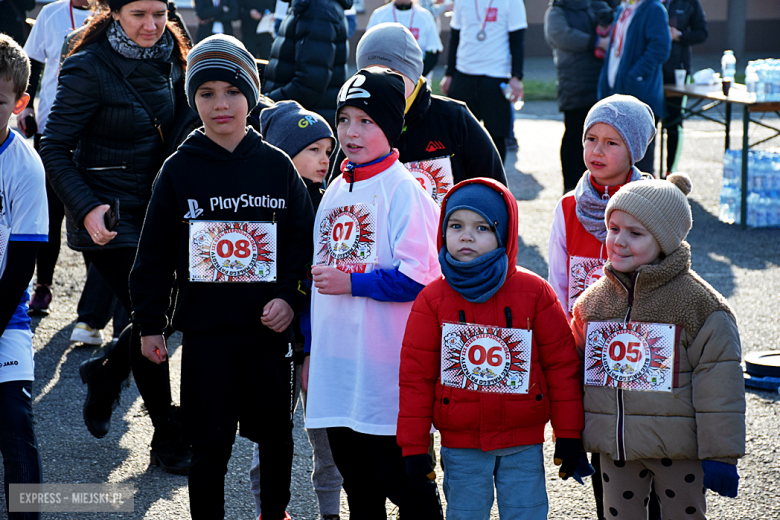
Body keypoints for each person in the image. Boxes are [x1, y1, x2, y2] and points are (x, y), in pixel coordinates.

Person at [129, 35, 314, 520]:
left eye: (231, 91)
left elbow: (302, 243)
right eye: (206, 93)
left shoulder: (277, 168)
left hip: (267, 340)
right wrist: (150, 323)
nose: (220, 104)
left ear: (250, 95)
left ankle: (272, 513)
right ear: (193, 100)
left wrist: (290, 299)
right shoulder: (179, 171)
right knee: (208, 450)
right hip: (207, 341)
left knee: (276, 439)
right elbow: (153, 254)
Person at [40, 0, 192, 472]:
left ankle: (106, 374)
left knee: (174, 308)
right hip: (110, 216)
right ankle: (167, 438)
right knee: (148, 313)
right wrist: (85, 209)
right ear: (115, 13)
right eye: (137, 15)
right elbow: (54, 146)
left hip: (160, 207)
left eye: (158, 13)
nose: (150, 26)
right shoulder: (88, 64)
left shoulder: (175, 53)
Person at [397, 178, 584, 520]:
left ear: (505, 233)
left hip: (523, 442)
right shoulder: (432, 300)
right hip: (461, 444)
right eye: (456, 225)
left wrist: (569, 432)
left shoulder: (535, 293)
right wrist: (413, 445)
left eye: (482, 227)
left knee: (526, 514)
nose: (466, 236)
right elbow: (415, 378)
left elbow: (562, 366)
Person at [305, 67, 443, 518]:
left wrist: (354, 282)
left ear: (391, 124)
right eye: (344, 119)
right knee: (359, 488)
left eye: (366, 120)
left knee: (404, 486)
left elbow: (420, 279)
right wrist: (309, 350)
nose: (351, 132)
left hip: (384, 375)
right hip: (338, 370)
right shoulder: (335, 187)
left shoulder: (405, 189)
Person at [571, 173, 745, 518]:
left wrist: (721, 455)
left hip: (678, 451)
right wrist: (570, 436)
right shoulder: (593, 303)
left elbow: (719, 385)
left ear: (664, 241)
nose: (618, 241)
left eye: (635, 233)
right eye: (614, 228)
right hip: (616, 448)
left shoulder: (699, 304)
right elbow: (571, 373)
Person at [547, 94, 654, 519]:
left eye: (612, 142)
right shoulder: (568, 208)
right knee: (605, 470)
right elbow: (557, 287)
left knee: (649, 455)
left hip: (642, 354)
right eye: (591, 138)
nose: (597, 150)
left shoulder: (656, 203)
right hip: (586, 353)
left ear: (635, 149)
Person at [250, 100, 342, 520]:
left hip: (320, 342)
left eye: (328, 150)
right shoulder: (263, 204)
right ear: (283, 153)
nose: (325, 159)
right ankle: (270, 510)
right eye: (313, 150)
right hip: (274, 342)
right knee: (270, 435)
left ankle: (329, 511)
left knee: (328, 437)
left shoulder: (332, 202)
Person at [328, 23, 506, 205]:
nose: (385, 86)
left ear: (413, 73)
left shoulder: (454, 119)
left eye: (392, 74)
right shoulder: (358, 128)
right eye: (373, 76)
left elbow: (494, 189)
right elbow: (336, 197)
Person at [17, 0, 91, 315]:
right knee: (50, 213)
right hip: (52, 128)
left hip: (93, 132)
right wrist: (29, 107)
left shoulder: (112, 14)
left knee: (91, 211)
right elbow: (31, 62)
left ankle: (96, 298)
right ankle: (43, 286)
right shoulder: (51, 14)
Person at [0, 33, 47, 520]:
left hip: (4, 313)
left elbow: (22, 264)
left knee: (15, 422)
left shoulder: (25, 166)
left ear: (19, 103)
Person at [440, 0, 527, 163]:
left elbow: (518, 40)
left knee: (496, 136)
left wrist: (516, 76)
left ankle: (495, 182)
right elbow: (455, 36)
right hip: (463, 74)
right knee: (459, 135)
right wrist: (449, 73)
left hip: (496, 76)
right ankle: (463, 182)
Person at [544, 0, 614, 194]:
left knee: (599, 136)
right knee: (575, 135)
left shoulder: (596, 4)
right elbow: (560, 35)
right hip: (573, 83)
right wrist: (596, 41)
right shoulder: (557, 11)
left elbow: (613, 17)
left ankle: (595, 184)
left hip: (599, 82)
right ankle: (570, 187)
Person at [597, 0, 671, 175]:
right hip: (617, 91)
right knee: (616, 159)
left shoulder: (653, 8)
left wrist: (634, 75)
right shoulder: (624, 8)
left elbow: (660, 48)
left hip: (639, 94)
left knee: (640, 160)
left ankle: (644, 200)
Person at [262, 0, 353, 127]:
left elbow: (310, 83)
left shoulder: (318, 10)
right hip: (303, 119)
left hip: (305, 125)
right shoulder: (310, 6)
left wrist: (267, 103)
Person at [662, 0, 707, 175]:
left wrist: (679, 35)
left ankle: (670, 172)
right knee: (647, 122)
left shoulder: (689, 2)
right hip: (651, 72)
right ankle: (643, 172)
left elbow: (702, 33)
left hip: (677, 72)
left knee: (673, 123)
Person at [366, 0, 442, 78]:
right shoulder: (379, 15)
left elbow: (433, 51)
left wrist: (416, 76)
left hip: (418, 76)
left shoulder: (425, 16)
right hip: (385, 76)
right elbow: (368, 47)